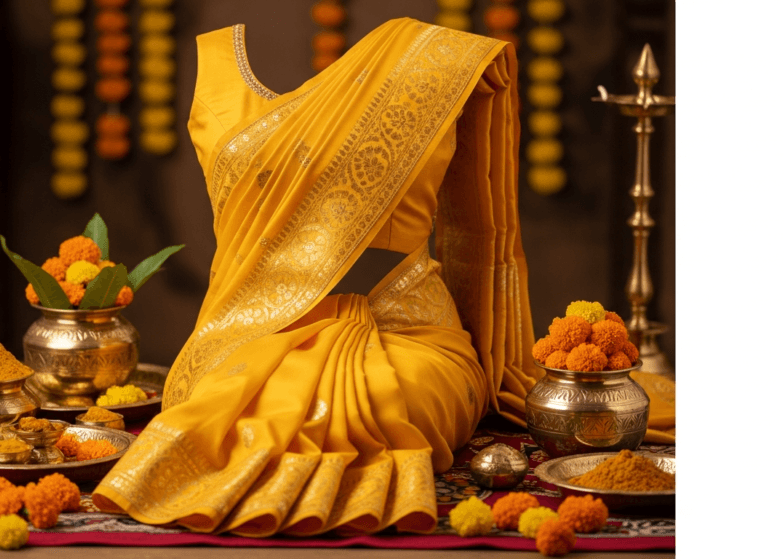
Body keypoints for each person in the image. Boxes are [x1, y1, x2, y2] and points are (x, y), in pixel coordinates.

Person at [93, 17, 541, 536]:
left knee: (384, 406)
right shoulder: (211, 61)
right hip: (247, 340)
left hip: (412, 335)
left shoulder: (437, 59)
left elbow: (477, 230)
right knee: (219, 414)